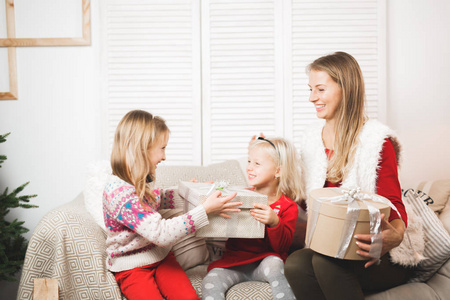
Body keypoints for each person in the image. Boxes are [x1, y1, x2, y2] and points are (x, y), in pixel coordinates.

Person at [284, 51, 411, 300]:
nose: (312, 98)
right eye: (310, 89)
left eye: (320, 89)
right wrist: (269, 157)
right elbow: (307, 201)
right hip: (333, 248)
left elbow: (393, 205)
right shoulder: (311, 140)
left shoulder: (376, 141)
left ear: (346, 89)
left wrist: (394, 237)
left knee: (327, 263)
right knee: (296, 263)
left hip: (377, 253)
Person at [103, 110, 242, 300]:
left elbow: (155, 198)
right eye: (162, 148)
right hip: (131, 265)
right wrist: (204, 211)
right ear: (142, 149)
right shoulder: (120, 195)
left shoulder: (137, 181)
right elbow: (161, 233)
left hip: (159, 257)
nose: (164, 156)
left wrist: (190, 192)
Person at [201, 137, 304, 300]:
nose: (249, 168)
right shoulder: (240, 194)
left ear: (278, 171)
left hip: (265, 262)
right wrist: (208, 189)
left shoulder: (287, 206)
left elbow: (282, 248)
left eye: (257, 164)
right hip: (234, 263)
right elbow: (218, 199)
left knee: (275, 264)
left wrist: (274, 222)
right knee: (210, 280)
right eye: (249, 162)